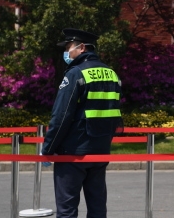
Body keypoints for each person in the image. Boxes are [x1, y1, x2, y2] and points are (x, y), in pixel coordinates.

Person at [42, 28, 123, 218]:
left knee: (67, 210)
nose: (67, 52)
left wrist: (48, 148)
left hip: (73, 152)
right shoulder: (111, 73)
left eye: (69, 47)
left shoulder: (75, 73)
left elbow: (61, 116)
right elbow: (112, 113)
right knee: (97, 207)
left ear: (82, 48)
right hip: (100, 149)